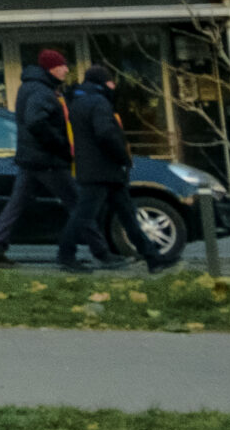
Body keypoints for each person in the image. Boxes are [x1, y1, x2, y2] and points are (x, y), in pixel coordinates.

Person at [58, 64, 167, 274]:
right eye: (110, 81)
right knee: (88, 215)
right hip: (104, 169)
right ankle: (65, 255)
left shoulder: (78, 102)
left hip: (93, 168)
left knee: (124, 213)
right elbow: (106, 133)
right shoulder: (99, 102)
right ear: (102, 82)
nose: (114, 85)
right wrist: (123, 157)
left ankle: (152, 257)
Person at [0, 49, 78, 268]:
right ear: (52, 68)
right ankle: (97, 251)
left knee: (16, 204)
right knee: (78, 204)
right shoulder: (42, 91)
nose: (66, 69)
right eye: (63, 65)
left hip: (30, 158)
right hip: (47, 160)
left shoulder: (30, 87)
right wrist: (60, 145)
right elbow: (36, 121)